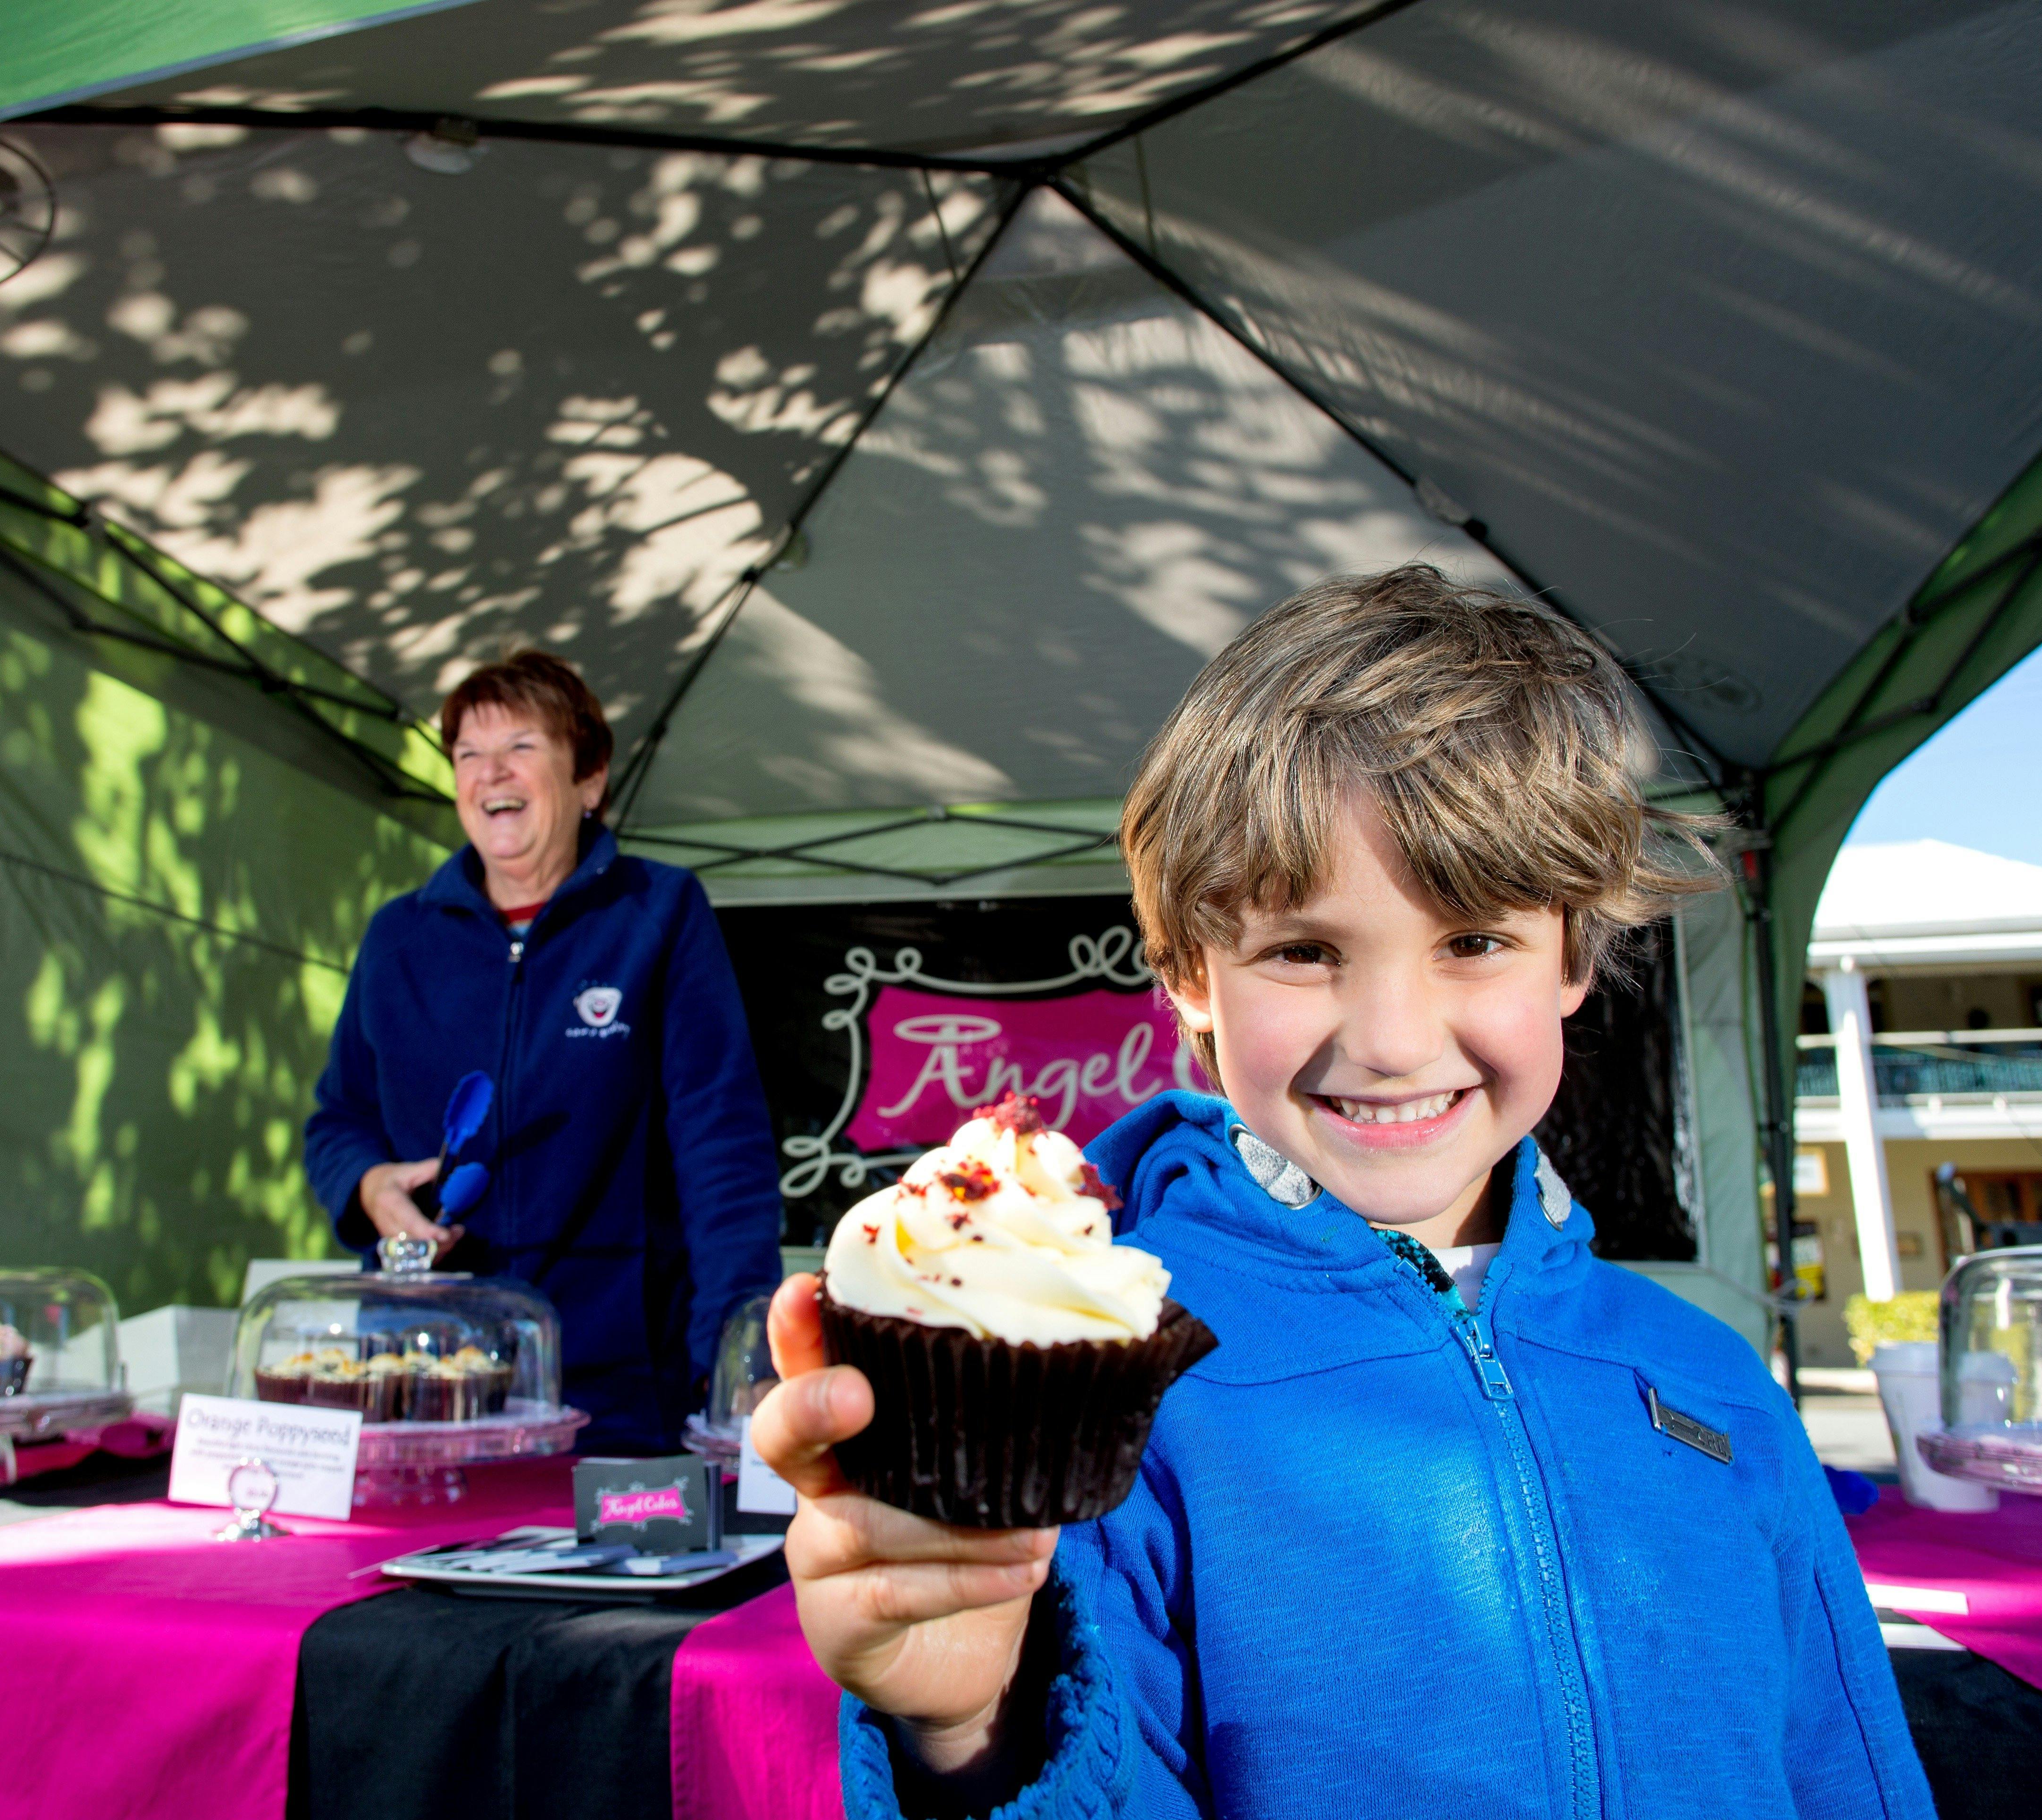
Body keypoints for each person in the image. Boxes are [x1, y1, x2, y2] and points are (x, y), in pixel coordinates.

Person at [751, 569, 1933, 1820]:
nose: (1391, 1039)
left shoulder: (1713, 1379)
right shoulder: (1101, 1384)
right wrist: (974, 1739)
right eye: (1304, 951)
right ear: (1188, 976)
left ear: (1574, 954)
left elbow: (1849, 1775)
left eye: (1474, 940)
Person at [306, 650, 781, 1452]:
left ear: (589, 780)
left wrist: (738, 1362)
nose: (490, 772)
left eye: (521, 746)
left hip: (620, 1385)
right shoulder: (398, 936)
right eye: (468, 754)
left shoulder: (660, 912)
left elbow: (721, 1145)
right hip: (426, 1374)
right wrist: (367, 1185)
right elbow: (338, 1120)